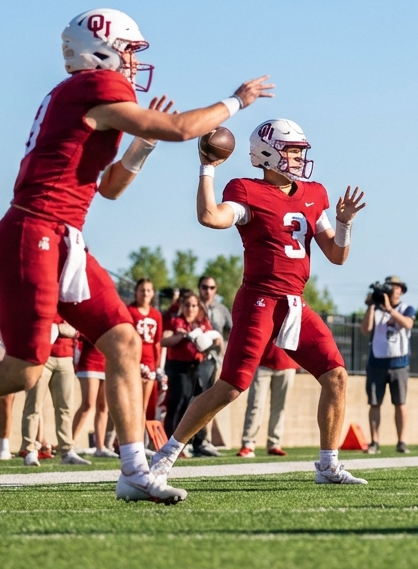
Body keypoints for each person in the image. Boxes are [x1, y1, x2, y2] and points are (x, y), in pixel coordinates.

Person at [0, 7, 272, 504]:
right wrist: (235, 102)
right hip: (34, 230)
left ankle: (135, 470)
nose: (136, 62)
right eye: (131, 50)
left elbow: (111, 186)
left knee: (124, 342)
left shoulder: (83, 93)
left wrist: (140, 145)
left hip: (63, 235)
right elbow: (182, 128)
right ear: (103, 48)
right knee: (25, 369)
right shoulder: (93, 87)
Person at [153, 118, 368, 486]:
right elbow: (210, 217)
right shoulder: (246, 190)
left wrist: (345, 224)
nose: (300, 157)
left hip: (295, 304)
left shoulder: (314, 193)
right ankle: (164, 456)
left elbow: (337, 255)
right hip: (260, 300)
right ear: (267, 154)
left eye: (301, 150)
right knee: (231, 387)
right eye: (293, 150)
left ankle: (328, 465)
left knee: (336, 376)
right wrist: (207, 169)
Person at [361, 275, 415, 454]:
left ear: (401, 290)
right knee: (374, 403)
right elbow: (365, 330)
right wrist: (371, 305)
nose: (393, 290)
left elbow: (407, 324)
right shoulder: (375, 309)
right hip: (376, 362)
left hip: (399, 363)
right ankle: (374, 442)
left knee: (400, 403)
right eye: (390, 287)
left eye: (396, 287)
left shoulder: (407, 308)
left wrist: (390, 310)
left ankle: (401, 441)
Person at [160, 289, 215, 454]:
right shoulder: (175, 321)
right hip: (178, 367)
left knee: (197, 404)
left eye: (194, 305)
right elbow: (163, 340)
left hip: (198, 367)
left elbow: (213, 339)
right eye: (187, 305)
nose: (190, 309)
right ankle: (172, 443)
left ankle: (196, 443)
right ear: (181, 306)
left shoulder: (202, 322)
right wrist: (181, 337)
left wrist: (213, 340)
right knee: (178, 403)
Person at [21, 315, 78, 465]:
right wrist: (59, 328)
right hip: (40, 357)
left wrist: (70, 330)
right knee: (33, 406)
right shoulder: (43, 295)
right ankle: (29, 450)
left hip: (66, 357)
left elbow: (77, 329)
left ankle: (67, 451)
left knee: (65, 408)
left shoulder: (69, 302)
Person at [238, 344, 298, 458]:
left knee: (280, 407)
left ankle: (274, 444)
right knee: (255, 405)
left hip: (287, 363)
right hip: (262, 363)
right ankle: (248, 444)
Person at [195, 274, 232, 453]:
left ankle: (203, 441)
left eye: (211, 288)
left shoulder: (222, 309)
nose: (207, 291)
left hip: (213, 360)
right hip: (191, 359)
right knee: (188, 399)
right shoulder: (192, 305)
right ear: (199, 288)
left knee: (208, 399)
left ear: (216, 290)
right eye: (204, 287)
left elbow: (232, 331)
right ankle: (187, 442)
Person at [68, 336, 112, 463]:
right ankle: (69, 445)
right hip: (89, 362)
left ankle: (100, 447)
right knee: (88, 404)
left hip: (107, 363)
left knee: (103, 407)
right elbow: (80, 336)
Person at [127, 278, 163, 425]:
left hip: (149, 363)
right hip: (132, 361)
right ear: (136, 292)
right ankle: (121, 441)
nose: (145, 293)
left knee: (143, 405)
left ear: (153, 293)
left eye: (148, 290)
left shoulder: (156, 315)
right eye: (142, 290)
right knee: (130, 403)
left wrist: (157, 365)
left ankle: (140, 441)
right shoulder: (130, 311)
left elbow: (157, 343)